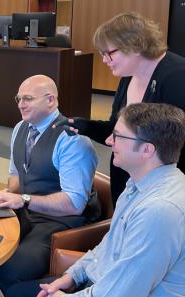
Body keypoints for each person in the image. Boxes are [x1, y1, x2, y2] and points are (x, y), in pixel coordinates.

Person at [0, 102, 185, 297]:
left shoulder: (160, 211)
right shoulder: (139, 183)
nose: (108, 142)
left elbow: (124, 292)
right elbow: (110, 245)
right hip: (112, 290)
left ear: (147, 150)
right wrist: (71, 277)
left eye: (117, 136)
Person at [55, 12, 185, 206]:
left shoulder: (177, 76)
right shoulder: (128, 75)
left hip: (160, 191)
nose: (105, 60)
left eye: (109, 53)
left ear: (134, 45)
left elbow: (175, 145)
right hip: (126, 177)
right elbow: (118, 131)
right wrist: (85, 126)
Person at [0, 75, 100, 294]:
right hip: (28, 211)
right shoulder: (20, 128)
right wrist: (8, 193)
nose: (21, 104)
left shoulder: (72, 140)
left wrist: (23, 199)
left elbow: (74, 204)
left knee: (9, 269)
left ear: (50, 100)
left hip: (59, 223)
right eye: (18, 98)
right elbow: (17, 178)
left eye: (28, 98)